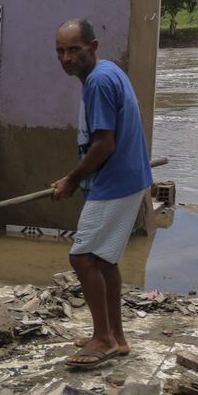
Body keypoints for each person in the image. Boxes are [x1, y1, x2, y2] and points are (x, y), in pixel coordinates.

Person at [50, 19, 153, 370]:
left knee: (82, 258)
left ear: (93, 47)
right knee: (105, 260)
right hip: (126, 177)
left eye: (74, 49)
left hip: (116, 180)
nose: (66, 58)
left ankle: (104, 339)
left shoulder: (97, 82)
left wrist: (71, 179)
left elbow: (104, 144)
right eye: (60, 51)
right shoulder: (105, 72)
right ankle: (117, 337)